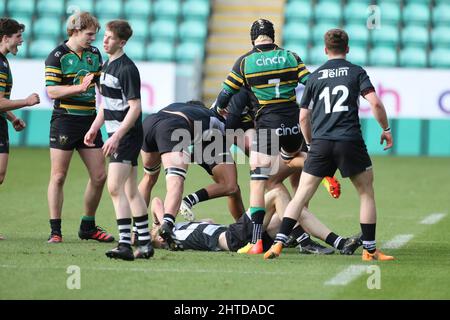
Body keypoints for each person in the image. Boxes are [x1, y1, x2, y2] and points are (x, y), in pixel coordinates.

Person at [264, 29, 394, 261]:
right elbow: (375, 103)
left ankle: (277, 246)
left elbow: (303, 117)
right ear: (347, 48)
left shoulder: (314, 77)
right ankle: (370, 250)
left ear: (325, 50)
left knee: (300, 196)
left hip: (321, 143)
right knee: (366, 193)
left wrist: (311, 144)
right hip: (349, 141)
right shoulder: (356, 72)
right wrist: (385, 129)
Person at [212, 19, 312, 254]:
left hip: (268, 126)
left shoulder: (246, 61)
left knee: (258, 180)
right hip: (293, 127)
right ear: (273, 36)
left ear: (253, 38)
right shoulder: (291, 56)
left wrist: (219, 109)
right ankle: (297, 224)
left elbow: (226, 93)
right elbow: (312, 83)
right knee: (291, 164)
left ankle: (257, 241)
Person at [84, 20, 153, 261]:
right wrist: (95, 128)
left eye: (110, 38)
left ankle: (125, 243)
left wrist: (117, 137)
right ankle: (144, 243)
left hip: (127, 134)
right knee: (130, 190)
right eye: (105, 37)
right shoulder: (106, 66)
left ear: (122, 42)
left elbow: (135, 108)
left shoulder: (126, 69)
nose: (104, 40)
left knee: (114, 187)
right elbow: (107, 104)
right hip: (117, 134)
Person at [45, 12, 113, 243]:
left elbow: (100, 86)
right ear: (75, 31)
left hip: (89, 121)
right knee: (59, 176)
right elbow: (52, 91)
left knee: (99, 175)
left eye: (95, 34)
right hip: (64, 120)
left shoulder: (94, 54)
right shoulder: (57, 56)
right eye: (89, 34)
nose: (94, 39)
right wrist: (78, 88)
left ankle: (88, 227)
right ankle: (55, 231)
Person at [148, 184, 361, 255]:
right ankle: (304, 242)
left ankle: (340, 242)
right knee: (277, 192)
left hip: (240, 233)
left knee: (292, 210)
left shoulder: (175, 229)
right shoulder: (166, 238)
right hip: (233, 238)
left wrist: (172, 221)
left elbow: (210, 221)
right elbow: (156, 202)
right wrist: (159, 225)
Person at [138, 101, 225, 250]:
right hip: (173, 126)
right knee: (175, 181)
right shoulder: (210, 116)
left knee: (148, 177)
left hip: (149, 123)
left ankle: (136, 231)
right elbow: (233, 135)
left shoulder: (176, 105)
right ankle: (167, 225)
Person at [0, 18, 40, 240]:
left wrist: (12, 118)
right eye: (18, 37)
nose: (21, 42)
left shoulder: (4, 62)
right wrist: (25, 102)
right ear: (5, 38)